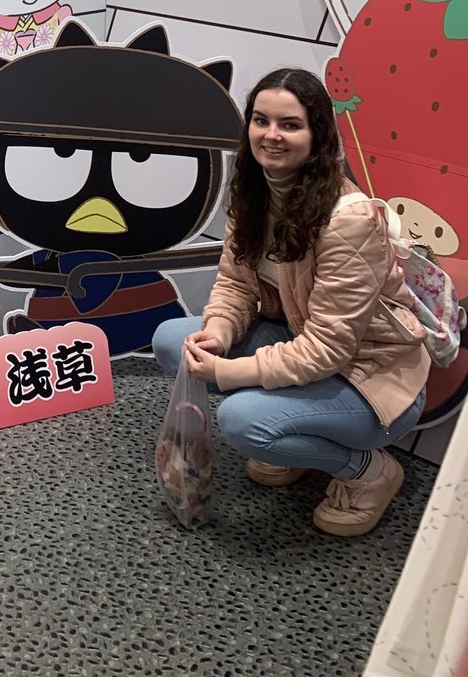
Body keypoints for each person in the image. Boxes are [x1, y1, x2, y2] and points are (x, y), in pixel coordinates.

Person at [152, 66, 430, 538]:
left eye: (290, 125)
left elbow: (329, 350)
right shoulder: (256, 190)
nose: (271, 136)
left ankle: (369, 471)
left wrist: (227, 372)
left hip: (374, 380)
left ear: (317, 134)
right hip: (303, 343)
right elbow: (236, 283)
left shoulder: (350, 220)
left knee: (242, 423)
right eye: (261, 121)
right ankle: (293, 438)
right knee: (173, 342)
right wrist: (218, 332)